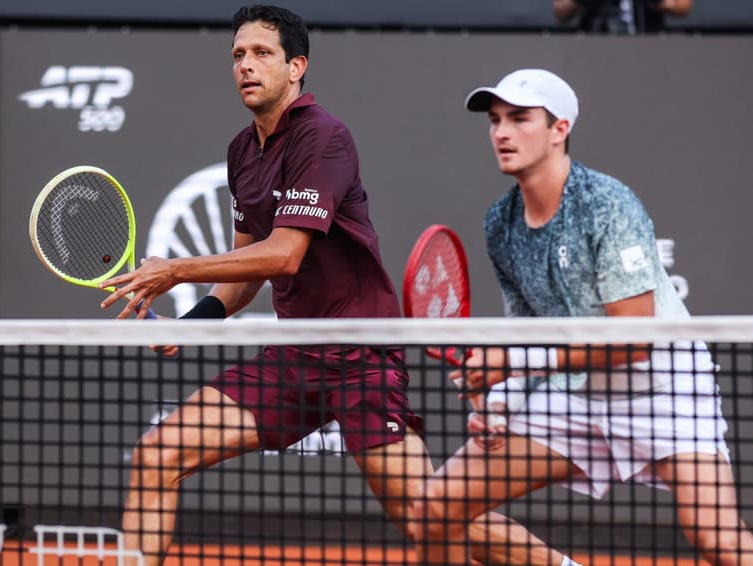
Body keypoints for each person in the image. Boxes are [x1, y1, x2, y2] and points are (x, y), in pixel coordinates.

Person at [99, 6, 574, 566]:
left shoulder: (324, 139)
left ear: (296, 66)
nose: (246, 66)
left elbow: (284, 254)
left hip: (360, 357)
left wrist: (173, 270)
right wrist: (193, 322)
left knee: (430, 513)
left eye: (261, 54)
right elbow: (244, 272)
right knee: (158, 455)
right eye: (237, 56)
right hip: (294, 357)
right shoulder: (241, 152)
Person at [414, 67, 753, 565]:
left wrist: (512, 368)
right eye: (495, 120)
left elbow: (635, 340)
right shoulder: (500, 223)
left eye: (520, 119)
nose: (502, 133)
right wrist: (502, 400)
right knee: (436, 508)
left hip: (664, 391)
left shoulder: (606, 205)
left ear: (560, 129)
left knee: (720, 542)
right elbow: (526, 329)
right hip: (570, 397)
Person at [552, 0, 692, 33]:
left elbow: (683, 7)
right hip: (594, 37)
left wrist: (660, 2)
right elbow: (560, 12)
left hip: (648, 35)